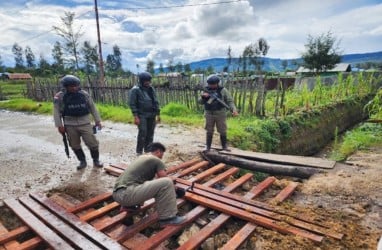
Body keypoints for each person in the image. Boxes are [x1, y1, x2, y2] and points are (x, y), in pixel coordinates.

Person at [112, 142, 186, 227]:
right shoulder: (156, 160)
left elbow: (153, 182)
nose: (162, 157)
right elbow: (164, 179)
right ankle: (168, 218)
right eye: (162, 154)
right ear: (158, 152)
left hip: (117, 194)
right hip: (127, 195)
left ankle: (130, 206)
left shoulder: (142, 157)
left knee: (143, 182)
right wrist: (177, 190)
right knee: (167, 182)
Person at [53, 74, 103, 170]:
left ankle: (96, 160)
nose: (74, 87)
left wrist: (97, 121)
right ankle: (82, 161)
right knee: (74, 144)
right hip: (69, 124)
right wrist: (59, 125)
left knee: (92, 143)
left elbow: (92, 107)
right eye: (71, 86)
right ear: (66, 86)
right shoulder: (59, 97)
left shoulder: (84, 94)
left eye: (76, 85)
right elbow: (56, 111)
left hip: (85, 122)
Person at [198, 74, 239, 151]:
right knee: (209, 129)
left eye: (213, 84)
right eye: (210, 84)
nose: (211, 86)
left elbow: (230, 101)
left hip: (220, 113)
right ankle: (208, 146)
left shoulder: (223, 90)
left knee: (222, 129)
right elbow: (199, 102)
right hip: (209, 113)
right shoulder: (205, 90)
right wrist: (203, 97)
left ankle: (224, 146)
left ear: (217, 83)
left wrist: (234, 109)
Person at [129, 72, 161, 156]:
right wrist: (135, 116)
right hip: (141, 115)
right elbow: (132, 104)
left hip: (152, 114)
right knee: (143, 132)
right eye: (146, 81)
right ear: (141, 81)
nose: (148, 82)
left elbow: (156, 101)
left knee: (150, 133)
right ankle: (139, 151)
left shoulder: (151, 89)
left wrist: (158, 114)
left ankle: (148, 150)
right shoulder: (135, 90)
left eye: (149, 81)